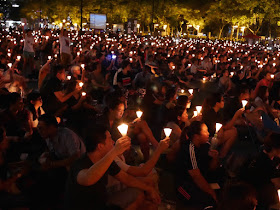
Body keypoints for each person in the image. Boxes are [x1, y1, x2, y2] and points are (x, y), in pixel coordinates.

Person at [64, 124, 161, 210]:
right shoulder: (80, 164)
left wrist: (149, 189)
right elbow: (87, 178)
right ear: (100, 146)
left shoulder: (106, 160)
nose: (113, 142)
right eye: (110, 139)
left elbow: (126, 179)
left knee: (146, 202)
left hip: (102, 202)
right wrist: (114, 151)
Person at [175, 121, 219, 209]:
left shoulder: (206, 145)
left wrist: (215, 158)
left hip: (200, 181)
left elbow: (212, 168)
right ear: (196, 136)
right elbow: (196, 176)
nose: (208, 133)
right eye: (205, 131)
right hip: (184, 185)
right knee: (204, 201)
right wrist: (211, 192)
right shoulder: (189, 149)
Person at [242, 132, 280, 209]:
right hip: (258, 199)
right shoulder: (267, 164)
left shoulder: (255, 157)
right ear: (275, 148)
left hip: (246, 196)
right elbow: (277, 184)